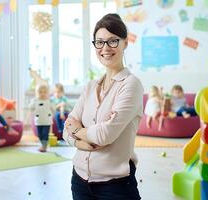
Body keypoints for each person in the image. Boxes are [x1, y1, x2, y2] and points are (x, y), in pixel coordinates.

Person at [63, 13, 142, 200]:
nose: (105, 48)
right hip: (79, 181)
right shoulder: (90, 87)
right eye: (99, 42)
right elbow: (66, 130)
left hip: (115, 187)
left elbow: (105, 134)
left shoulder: (131, 85)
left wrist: (77, 129)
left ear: (125, 43)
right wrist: (81, 141)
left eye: (112, 41)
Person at [29, 84, 56, 152]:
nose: (42, 94)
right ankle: (42, 144)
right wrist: (33, 101)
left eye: (44, 92)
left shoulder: (49, 101)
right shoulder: (35, 101)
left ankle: (44, 146)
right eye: (40, 92)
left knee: (45, 133)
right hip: (38, 121)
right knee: (40, 134)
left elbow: (54, 109)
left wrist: (53, 115)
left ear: (47, 93)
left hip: (47, 121)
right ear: (37, 93)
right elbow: (31, 108)